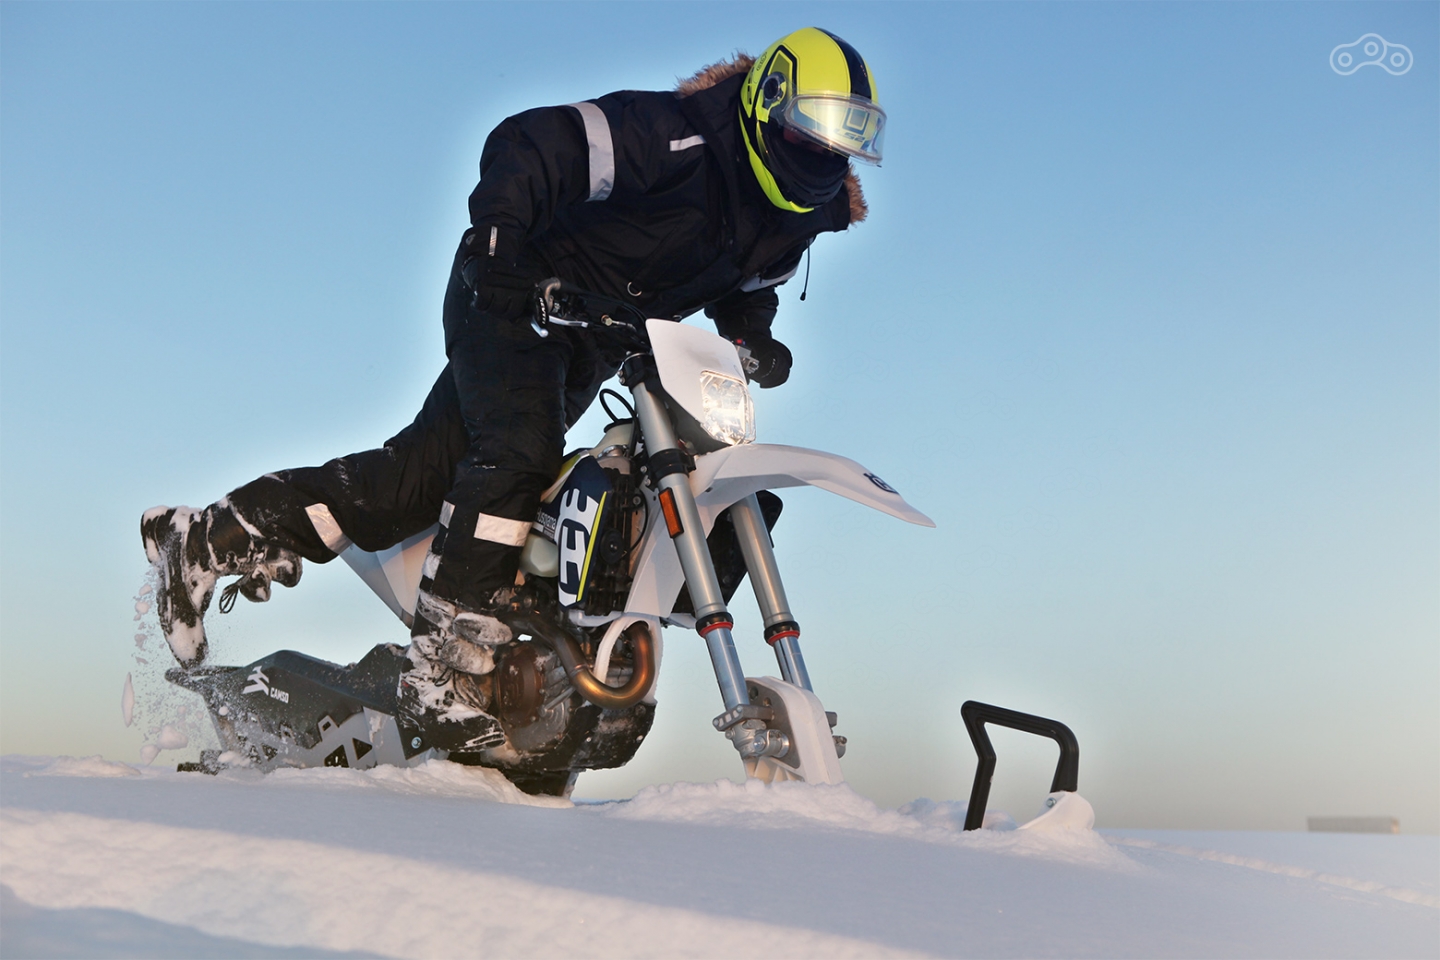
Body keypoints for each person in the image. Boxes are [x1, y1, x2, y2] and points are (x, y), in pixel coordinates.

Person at [141, 27, 885, 751]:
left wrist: (753, 335)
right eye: (804, 137)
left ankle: (207, 536)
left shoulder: (801, 217)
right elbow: (532, 143)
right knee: (517, 453)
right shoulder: (670, 135)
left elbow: (746, 286)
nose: (818, 157)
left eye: (837, 148)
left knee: (415, 483)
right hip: (518, 292)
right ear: (763, 105)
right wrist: (498, 241)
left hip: (600, 334)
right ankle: (440, 671)